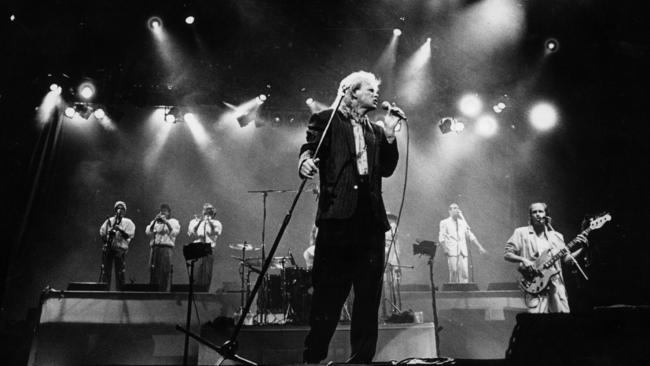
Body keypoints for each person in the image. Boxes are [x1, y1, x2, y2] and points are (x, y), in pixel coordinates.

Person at [298, 70, 402, 363]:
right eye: (370, 90)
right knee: (328, 297)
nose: (376, 95)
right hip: (338, 221)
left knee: (368, 299)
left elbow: (387, 169)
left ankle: (361, 360)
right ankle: (313, 357)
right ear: (351, 92)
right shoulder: (326, 120)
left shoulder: (376, 130)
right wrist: (304, 163)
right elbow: (309, 148)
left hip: (370, 224)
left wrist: (391, 134)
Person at [504, 202, 587, 313]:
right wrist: (524, 260)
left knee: (562, 323)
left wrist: (583, 248)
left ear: (547, 216)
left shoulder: (557, 236)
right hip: (535, 286)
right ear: (530, 216)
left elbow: (567, 260)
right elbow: (507, 254)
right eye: (535, 212)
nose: (538, 214)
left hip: (556, 286)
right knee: (537, 323)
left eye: (541, 211)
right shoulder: (521, 233)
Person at [438, 203, 486, 283]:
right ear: (450, 211)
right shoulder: (444, 222)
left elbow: (470, 235)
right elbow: (441, 237)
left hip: (463, 251)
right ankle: (453, 290)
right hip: (452, 250)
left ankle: (464, 291)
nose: (457, 210)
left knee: (464, 273)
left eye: (457, 208)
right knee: (454, 271)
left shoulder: (463, 222)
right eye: (454, 208)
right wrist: (445, 248)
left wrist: (479, 246)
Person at [99, 201, 136, 290]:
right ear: (115, 210)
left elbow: (130, 235)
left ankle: (120, 291)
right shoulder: (110, 220)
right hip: (109, 248)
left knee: (120, 271)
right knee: (106, 270)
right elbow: (102, 232)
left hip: (120, 249)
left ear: (125, 211)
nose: (120, 210)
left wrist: (120, 230)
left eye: (122, 209)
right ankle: (104, 290)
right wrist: (107, 238)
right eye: (118, 208)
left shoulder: (128, 222)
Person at [145, 203, 181, 291]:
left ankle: (163, 291)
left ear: (169, 213)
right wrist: (154, 221)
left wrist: (166, 222)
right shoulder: (156, 222)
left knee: (164, 270)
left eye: (165, 211)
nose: (163, 213)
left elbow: (174, 233)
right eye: (161, 211)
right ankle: (153, 290)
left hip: (166, 248)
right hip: (155, 247)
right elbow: (148, 233)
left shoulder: (174, 221)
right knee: (153, 269)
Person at [187, 203, 223, 291]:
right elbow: (191, 233)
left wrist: (209, 222)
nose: (207, 212)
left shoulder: (216, 223)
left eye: (209, 210)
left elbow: (216, 232)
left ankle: (205, 292)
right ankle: (194, 292)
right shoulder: (195, 221)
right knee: (196, 272)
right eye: (205, 210)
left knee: (206, 273)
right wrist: (199, 221)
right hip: (197, 246)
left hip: (208, 247)